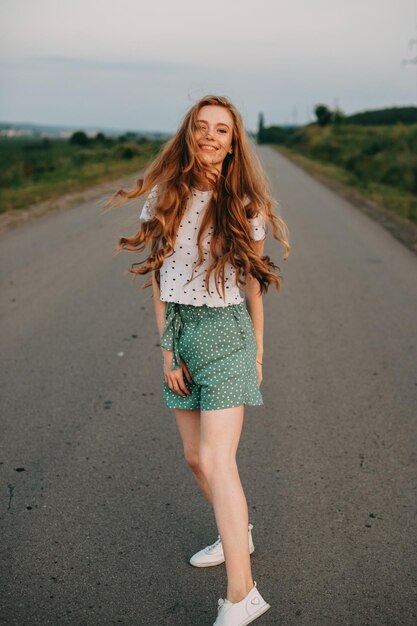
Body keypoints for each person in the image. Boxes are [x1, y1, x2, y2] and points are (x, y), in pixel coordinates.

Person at [106, 95, 290, 625]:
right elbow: (161, 282)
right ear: (189, 134)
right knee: (195, 459)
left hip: (228, 335)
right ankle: (239, 532)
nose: (210, 136)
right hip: (182, 334)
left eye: (222, 131)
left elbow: (255, 288)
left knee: (217, 460)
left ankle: (242, 596)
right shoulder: (165, 197)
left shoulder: (246, 207)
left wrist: (256, 351)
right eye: (202, 127)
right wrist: (167, 349)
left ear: (234, 145)